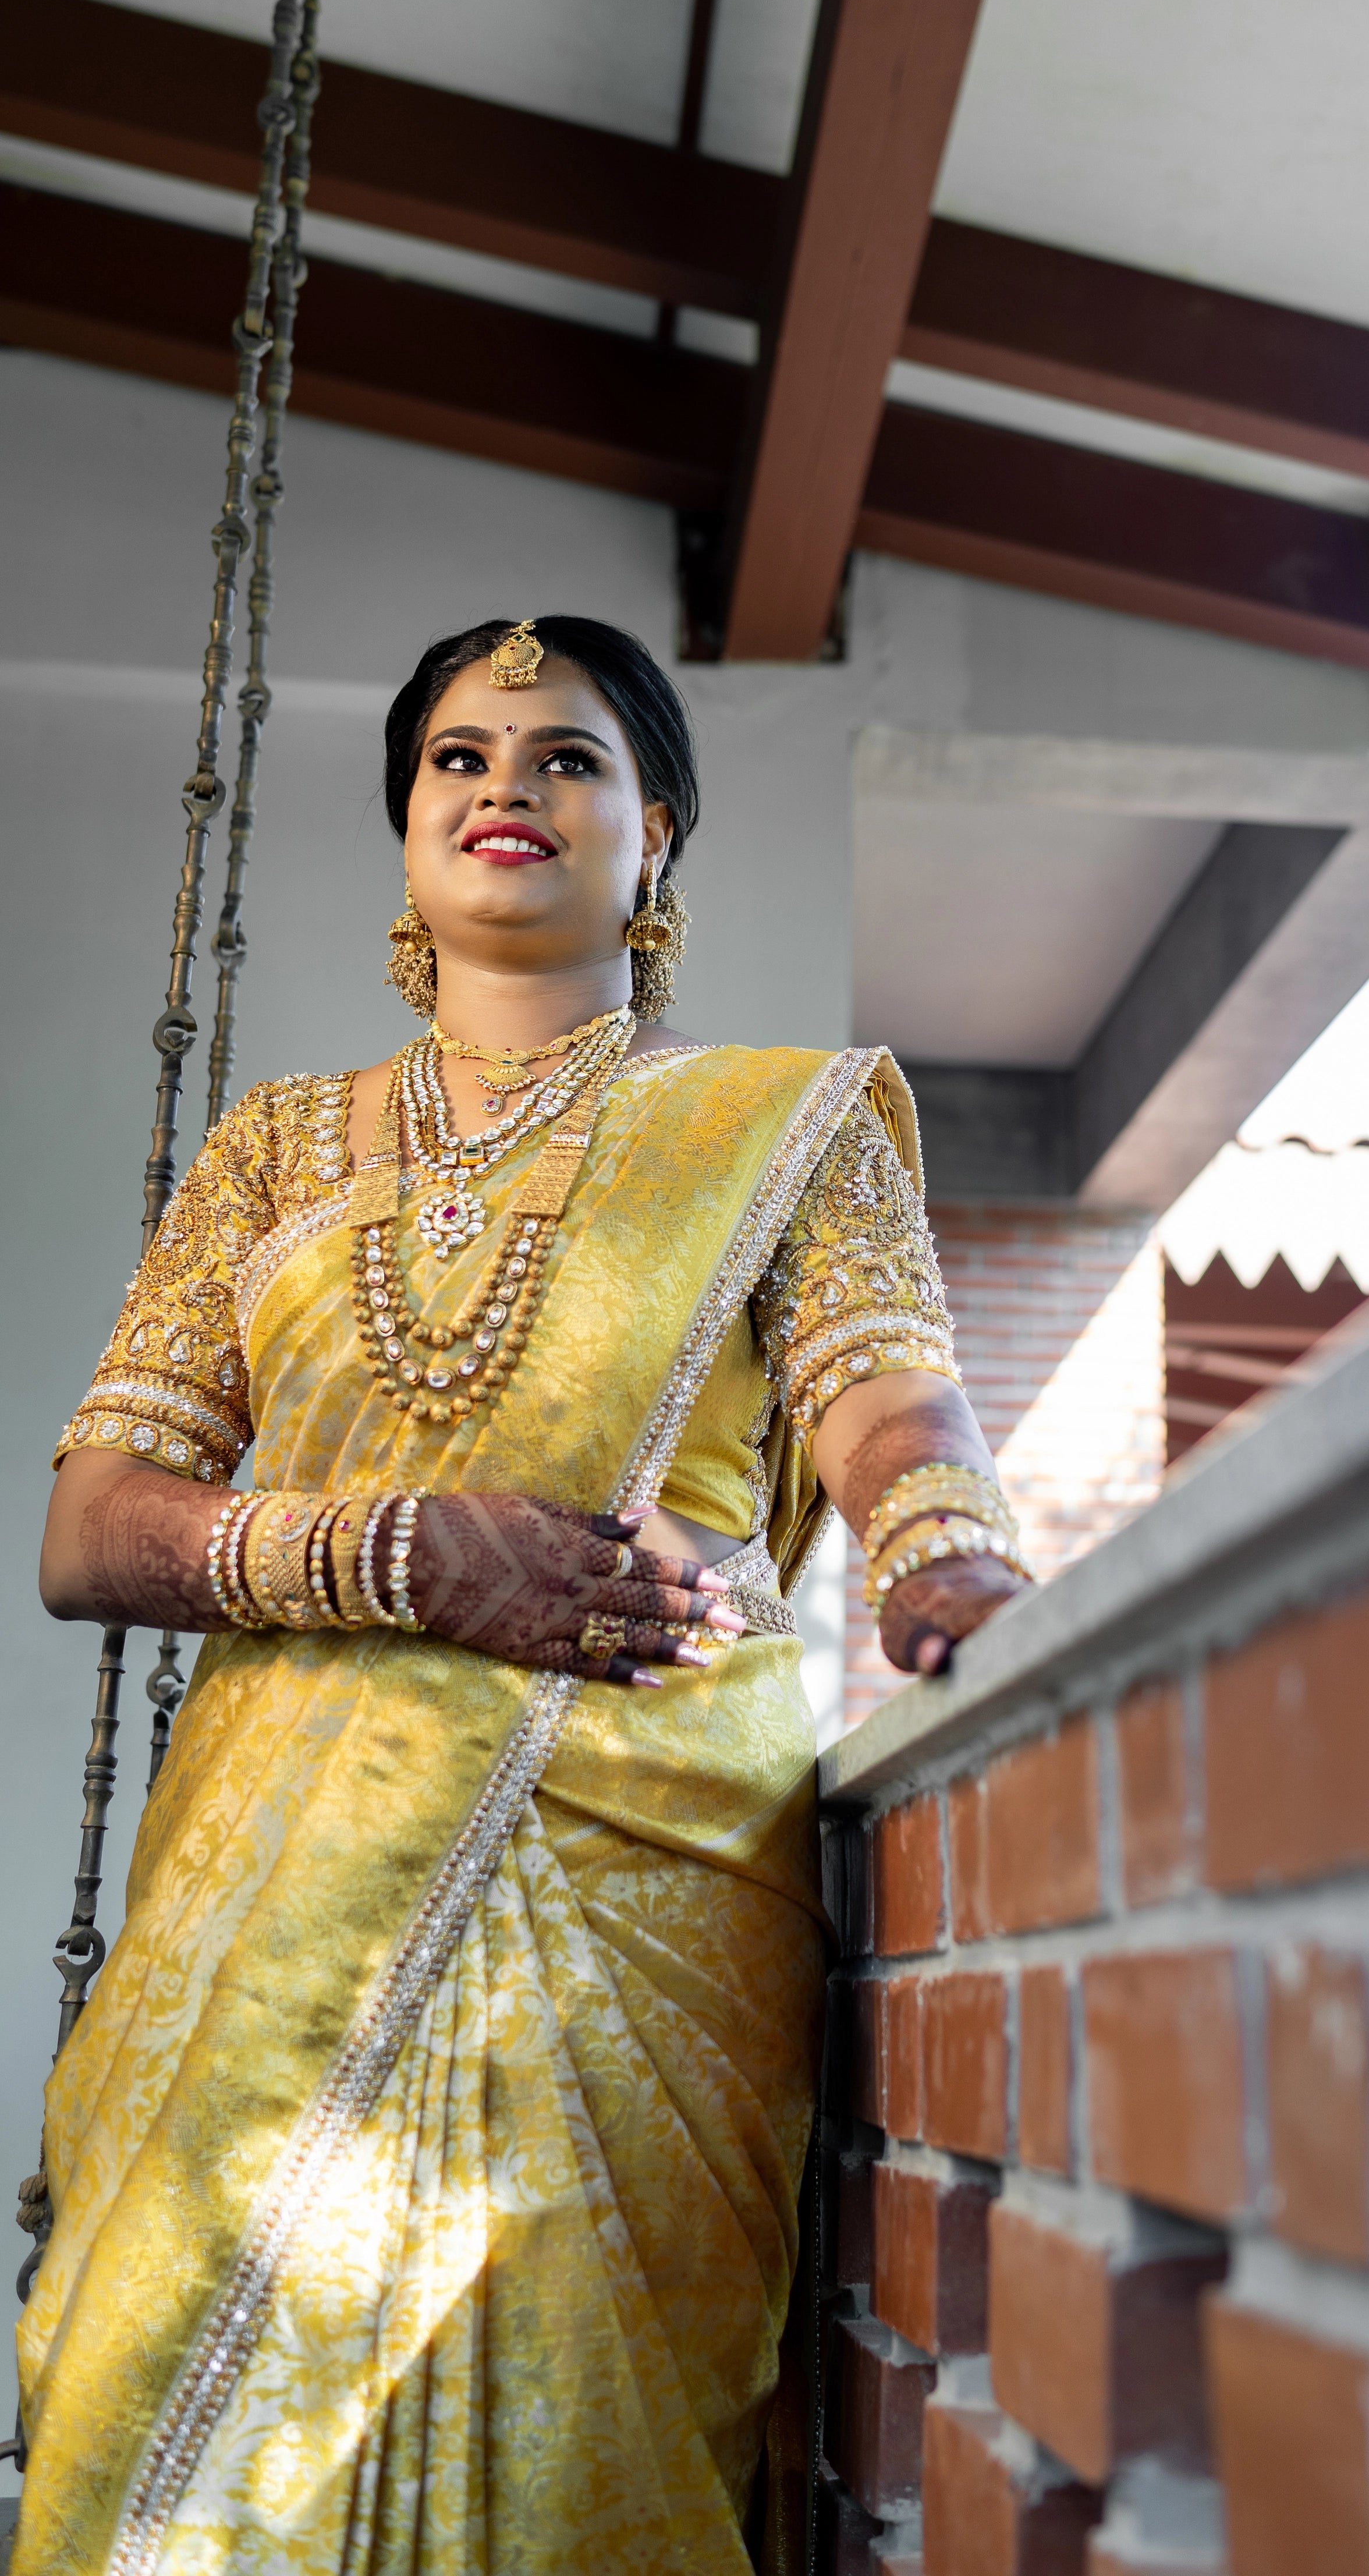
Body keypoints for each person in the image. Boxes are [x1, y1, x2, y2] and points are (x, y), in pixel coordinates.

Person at [21, 615, 1028, 2576]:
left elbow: (888, 1398)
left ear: (662, 836)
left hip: (639, 1875)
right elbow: (92, 1530)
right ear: (405, 827)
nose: (507, 790)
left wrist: (953, 1558)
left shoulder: (787, 1128)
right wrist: (401, 1550)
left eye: (569, 759)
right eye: (459, 760)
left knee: (581, 2430)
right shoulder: (269, 1155)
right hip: (267, 1880)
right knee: (149, 2382)